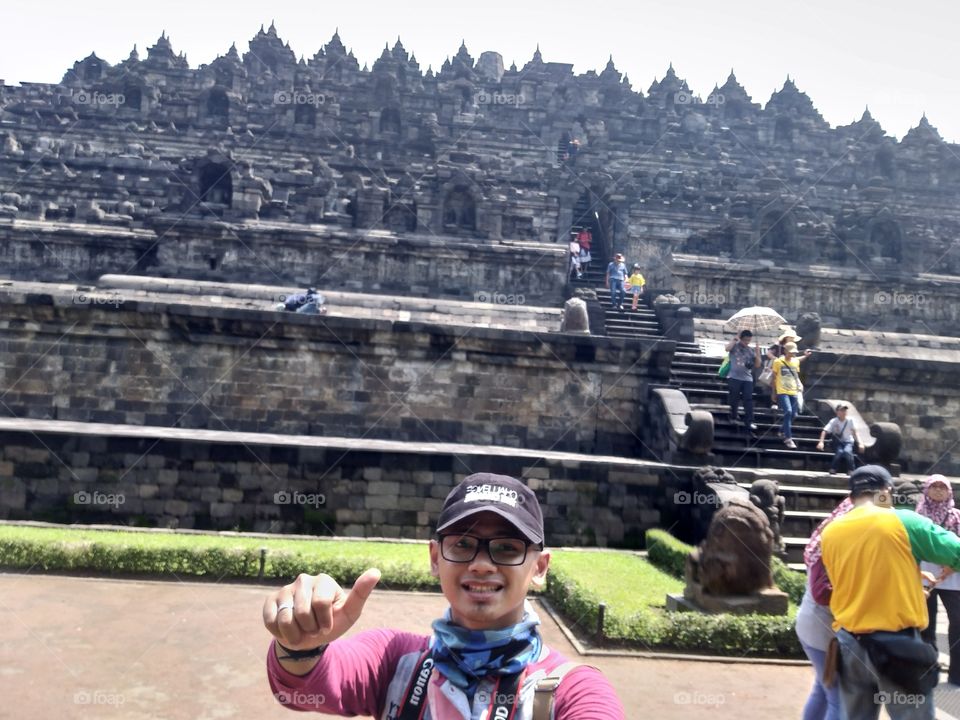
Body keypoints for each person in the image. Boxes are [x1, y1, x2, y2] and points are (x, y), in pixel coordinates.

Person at [262, 473, 626, 719]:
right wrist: (300, 644)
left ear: (540, 567)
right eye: (463, 544)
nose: (482, 564)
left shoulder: (573, 691)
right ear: (435, 558)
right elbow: (304, 686)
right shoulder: (396, 659)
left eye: (506, 547)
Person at [821, 465, 960, 720]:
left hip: (850, 645)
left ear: (852, 497)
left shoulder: (830, 532)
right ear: (886, 492)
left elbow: (859, 575)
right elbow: (956, 551)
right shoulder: (904, 521)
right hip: (899, 648)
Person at [796, 496, 854, 720]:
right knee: (837, 697)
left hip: (814, 626)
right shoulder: (831, 543)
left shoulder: (828, 539)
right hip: (822, 629)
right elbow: (823, 593)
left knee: (822, 689)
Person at [917, 475, 960, 687]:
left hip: (952, 575)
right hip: (926, 574)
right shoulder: (919, 514)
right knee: (926, 623)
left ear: (949, 491)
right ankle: (928, 672)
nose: (938, 491)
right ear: (926, 490)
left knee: (958, 622)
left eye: (942, 487)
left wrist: (952, 566)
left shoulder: (956, 516)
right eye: (934, 487)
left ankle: (957, 673)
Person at [772, 341, 811, 449]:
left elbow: (797, 363)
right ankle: (788, 438)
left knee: (794, 415)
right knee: (788, 412)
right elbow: (774, 378)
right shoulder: (778, 362)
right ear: (785, 351)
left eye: (794, 353)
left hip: (793, 391)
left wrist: (806, 356)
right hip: (782, 391)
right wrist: (773, 393)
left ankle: (781, 430)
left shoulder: (795, 361)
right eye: (791, 352)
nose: (793, 354)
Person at [724, 329, 761, 436]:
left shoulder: (751, 350)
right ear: (741, 338)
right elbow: (727, 349)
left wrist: (758, 352)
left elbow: (758, 365)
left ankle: (749, 421)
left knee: (748, 399)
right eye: (745, 340)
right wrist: (735, 338)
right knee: (734, 397)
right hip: (734, 377)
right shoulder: (734, 346)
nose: (747, 343)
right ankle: (734, 415)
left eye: (749, 341)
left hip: (747, 379)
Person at [816, 404, 864, 475]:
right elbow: (825, 431)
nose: (844, 412)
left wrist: (860, 443)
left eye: (845, 410)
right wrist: (821, 442)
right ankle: (833, 468)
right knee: (839, 452)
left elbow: (855, 432)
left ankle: (851, 469)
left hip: (848, 441)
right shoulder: (833, 421)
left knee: (847, 451)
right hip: (838, 442)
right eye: (842, 410)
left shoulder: (850, 420)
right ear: (837, 412)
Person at [766, 329, 800, 409]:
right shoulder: (778, 346)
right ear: (786, 337)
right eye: (790, 337)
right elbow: (768, 353)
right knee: (774, 386)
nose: (792, 339)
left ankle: (783, 405)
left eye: (793, 338)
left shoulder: (793, 347)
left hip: (787, 373)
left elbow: (795, 359)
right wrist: (776, 360)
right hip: (777, 369)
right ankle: (774, 403)